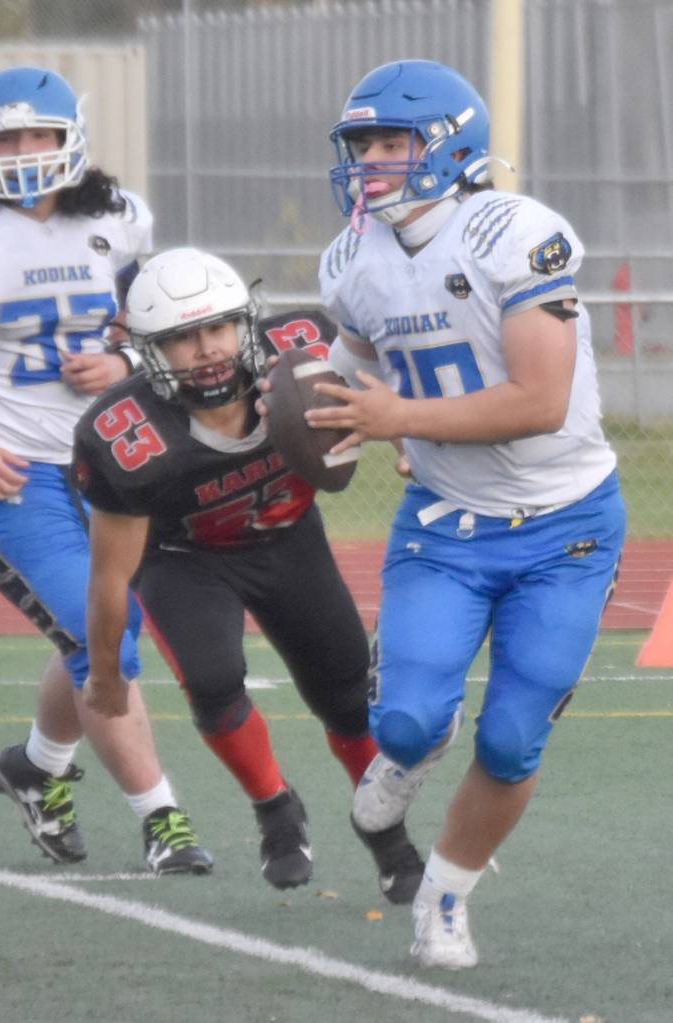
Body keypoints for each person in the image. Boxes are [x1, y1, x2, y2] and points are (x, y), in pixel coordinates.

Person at [308, 59, 626, 967]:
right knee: (406, 722)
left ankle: (443, 895)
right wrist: (344, 407)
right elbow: (360, 364)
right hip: (447, 521)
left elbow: (538, 399)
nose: (370, 162)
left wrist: (397, 416)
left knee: (513, 734)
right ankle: (410, 748)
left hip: (565, 524)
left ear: (450, 147)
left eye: (390, 143)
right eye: (359, 145)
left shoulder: (514, 232)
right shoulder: (348, 258)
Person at [0, 65, 212, 877]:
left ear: (71, 140)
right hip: (8, 474)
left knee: (89, 628)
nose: (23, 152)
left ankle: (33, 767)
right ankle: (162, 819)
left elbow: (143, 319)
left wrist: (121, 351)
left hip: (107, 471)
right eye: (4, 139)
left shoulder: (115, 221)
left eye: (37, 136)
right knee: (107, 635)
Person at [72, 246, 421, 893]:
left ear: (243, 320)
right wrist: (103, 673)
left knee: (346, 693)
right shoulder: (126, 435)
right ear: (148, 350)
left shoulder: (306, 348)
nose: (205, 349)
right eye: (180, 337)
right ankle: (274, 807)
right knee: (211, 676)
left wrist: (403, 442)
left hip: (289, 538)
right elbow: (108, 576)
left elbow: (393, 380)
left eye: (217, 327)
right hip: (185, 557)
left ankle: (386, 830)